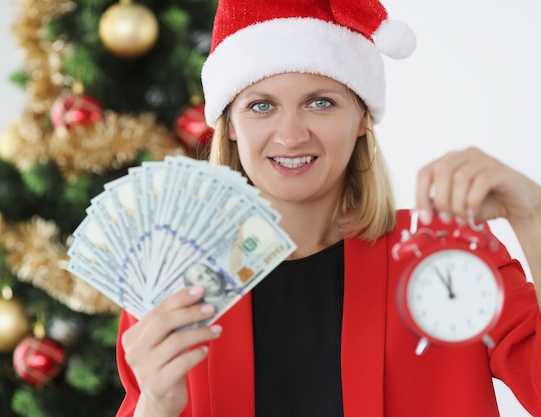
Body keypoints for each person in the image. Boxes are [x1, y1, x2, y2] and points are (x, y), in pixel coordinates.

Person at [115, 0, 541, 416]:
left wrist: (533, 215)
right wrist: (155, 407)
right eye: (261, 105)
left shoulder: (449, 259)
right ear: (228, 127)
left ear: (362, 119)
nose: (290, 136)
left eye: (321, 102)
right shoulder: (168, 285)